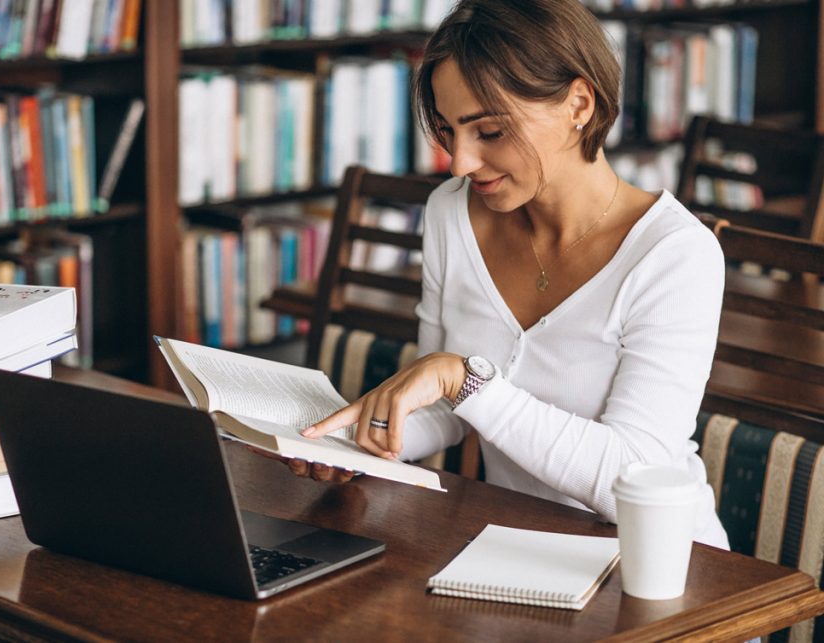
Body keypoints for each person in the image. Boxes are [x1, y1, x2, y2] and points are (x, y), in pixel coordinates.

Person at [285, 0, 729, 548]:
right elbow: (450, 410)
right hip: (517, 550)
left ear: (579, 104)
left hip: (663, 567)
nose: (460, 163)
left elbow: (631, 481)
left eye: (490, 132)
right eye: (449, 131)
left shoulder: (675, 255)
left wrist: (466, 377)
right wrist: (357, 443)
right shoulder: (451, 212)